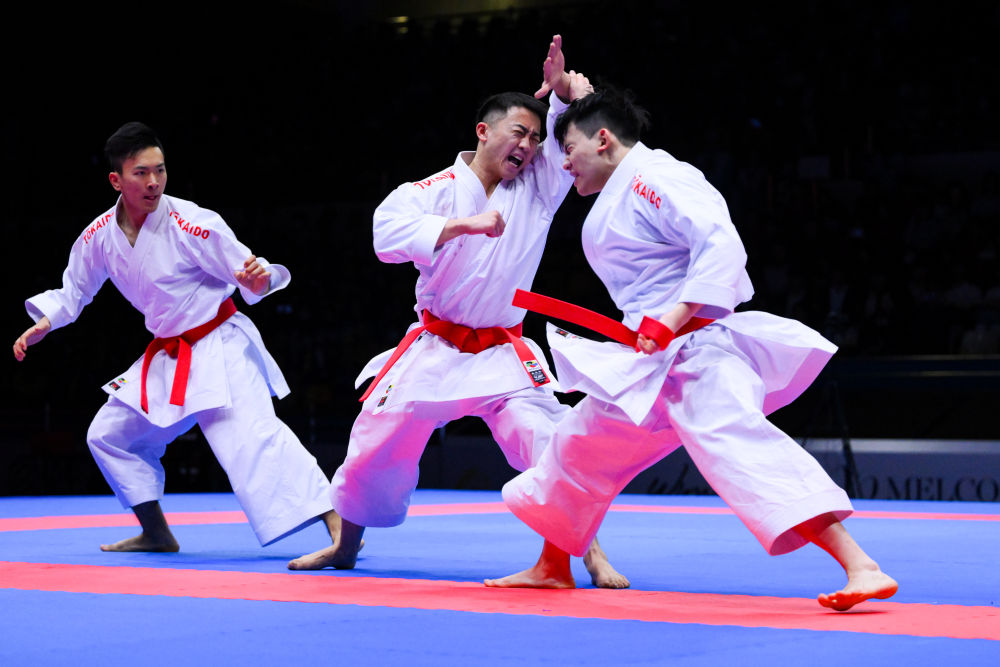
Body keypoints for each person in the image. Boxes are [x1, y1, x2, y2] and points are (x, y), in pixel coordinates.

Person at [488, 87, 899, 610]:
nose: (563, 162)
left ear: (604, 140)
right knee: (577, 447)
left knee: (741, 448)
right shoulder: (626, 185)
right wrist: (572, 103)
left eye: (569, 149)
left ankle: (862, 566)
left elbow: (721, 244)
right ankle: (552, 566)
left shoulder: (658, 176)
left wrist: (673, 318)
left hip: (696, 353)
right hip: (648, 361)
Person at [289, 36, 629, 588]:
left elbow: (569, 139)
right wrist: (462, 225)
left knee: (549, 441)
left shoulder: (538, 188)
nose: (529, 146)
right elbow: (385, 235)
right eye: (519, 132)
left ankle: (591, 555)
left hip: (502, 350)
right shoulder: (434, 189)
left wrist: (566, 97)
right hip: (437, 346)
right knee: (373, 442)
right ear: (483, 132)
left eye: (535, 138)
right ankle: (344, 546)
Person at [13, 122, 340, 553]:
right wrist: (47, 321)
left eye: (160, 170)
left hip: (219, 344)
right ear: (116, 180)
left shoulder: (192, 222)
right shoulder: (99, 235)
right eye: (141, 173)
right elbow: (74, 289)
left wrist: (259, 278)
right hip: (169, 355)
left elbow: (251, 271)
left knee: (254, 438)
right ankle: (156, 532)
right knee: (109, 435)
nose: (154, 181)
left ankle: (339, 526)